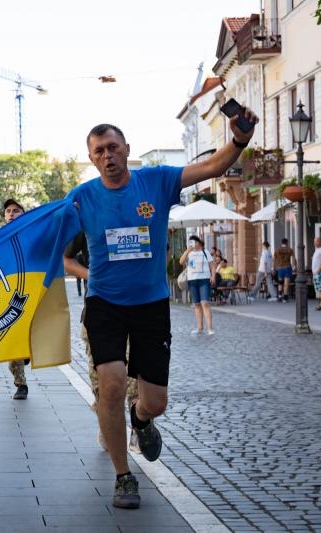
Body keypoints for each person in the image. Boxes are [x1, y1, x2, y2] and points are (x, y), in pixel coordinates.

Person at [66, 108, 257, 509]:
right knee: (112, 385)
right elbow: (46, 240)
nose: (107, 155)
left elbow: (212, 166)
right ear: (91, 158)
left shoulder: (157, 180)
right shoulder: (81, 199)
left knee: (156, 401)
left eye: (113, 147)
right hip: (104, 304)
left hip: (151, 305)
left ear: (127, 150)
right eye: (99, 151)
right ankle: (123, 476)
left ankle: (142, 419)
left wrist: (239, 139)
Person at [64, 231, 139, 452]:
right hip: (97, 312)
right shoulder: (88, 212)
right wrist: (91, 276)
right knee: (102, 380)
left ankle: (138, 426)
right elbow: (66, 259)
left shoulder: (141, 209)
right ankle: (108, 420)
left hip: (137, 310)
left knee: (135, 371)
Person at [2, 198, 32, 400]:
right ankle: (20, 383)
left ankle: (28, 350)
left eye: (16, 210)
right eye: (8, 211)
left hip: (32, 292)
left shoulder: (32, 234)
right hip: (10, 296)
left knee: (30, 334)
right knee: (13, 339)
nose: (11, 214)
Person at [180, 236, 215, 332]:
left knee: (205, 303)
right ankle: (200, 328)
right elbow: (181, 262)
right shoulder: (189, 253)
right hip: (192, 280)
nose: (192, 244)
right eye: (190, 242)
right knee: (197, 304)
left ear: (199, 243)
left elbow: (212, 265)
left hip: (204, 279)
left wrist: (213, 276)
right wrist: (187, 251)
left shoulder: (205, 252)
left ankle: (210, 328)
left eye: (194, 242)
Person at [273, 238, 296, 302]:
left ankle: (280, 295)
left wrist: (274, 268)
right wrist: (294, 266)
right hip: (287, 267)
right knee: (286, 283)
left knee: (280, 282)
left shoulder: (277, 250)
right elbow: (294, 258)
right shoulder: (290, 249)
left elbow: (274, 259)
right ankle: (285, 297)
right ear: (287, 242)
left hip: (280, 268)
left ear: (281, 243)